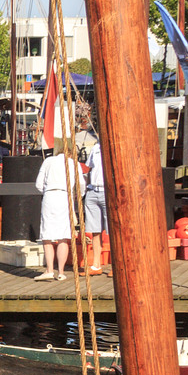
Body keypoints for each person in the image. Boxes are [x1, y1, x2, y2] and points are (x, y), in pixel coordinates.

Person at [34, 138, 80, 280]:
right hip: (65, 196)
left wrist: (47, 192)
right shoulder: (73, 163)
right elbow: (81, 185)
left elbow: (38, 184)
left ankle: (49, 269)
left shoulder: (48, 161)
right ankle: (60, 272)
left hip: (50, 195)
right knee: (63, 236)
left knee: (47, 236)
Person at [78, 108, 109, 274]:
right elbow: (89, 169)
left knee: (111, 231)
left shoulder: (113, 147)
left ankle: (115, 265)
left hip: (107, 192)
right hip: (93, 191)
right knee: (95, 230)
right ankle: (96, 264)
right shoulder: (96, 147)